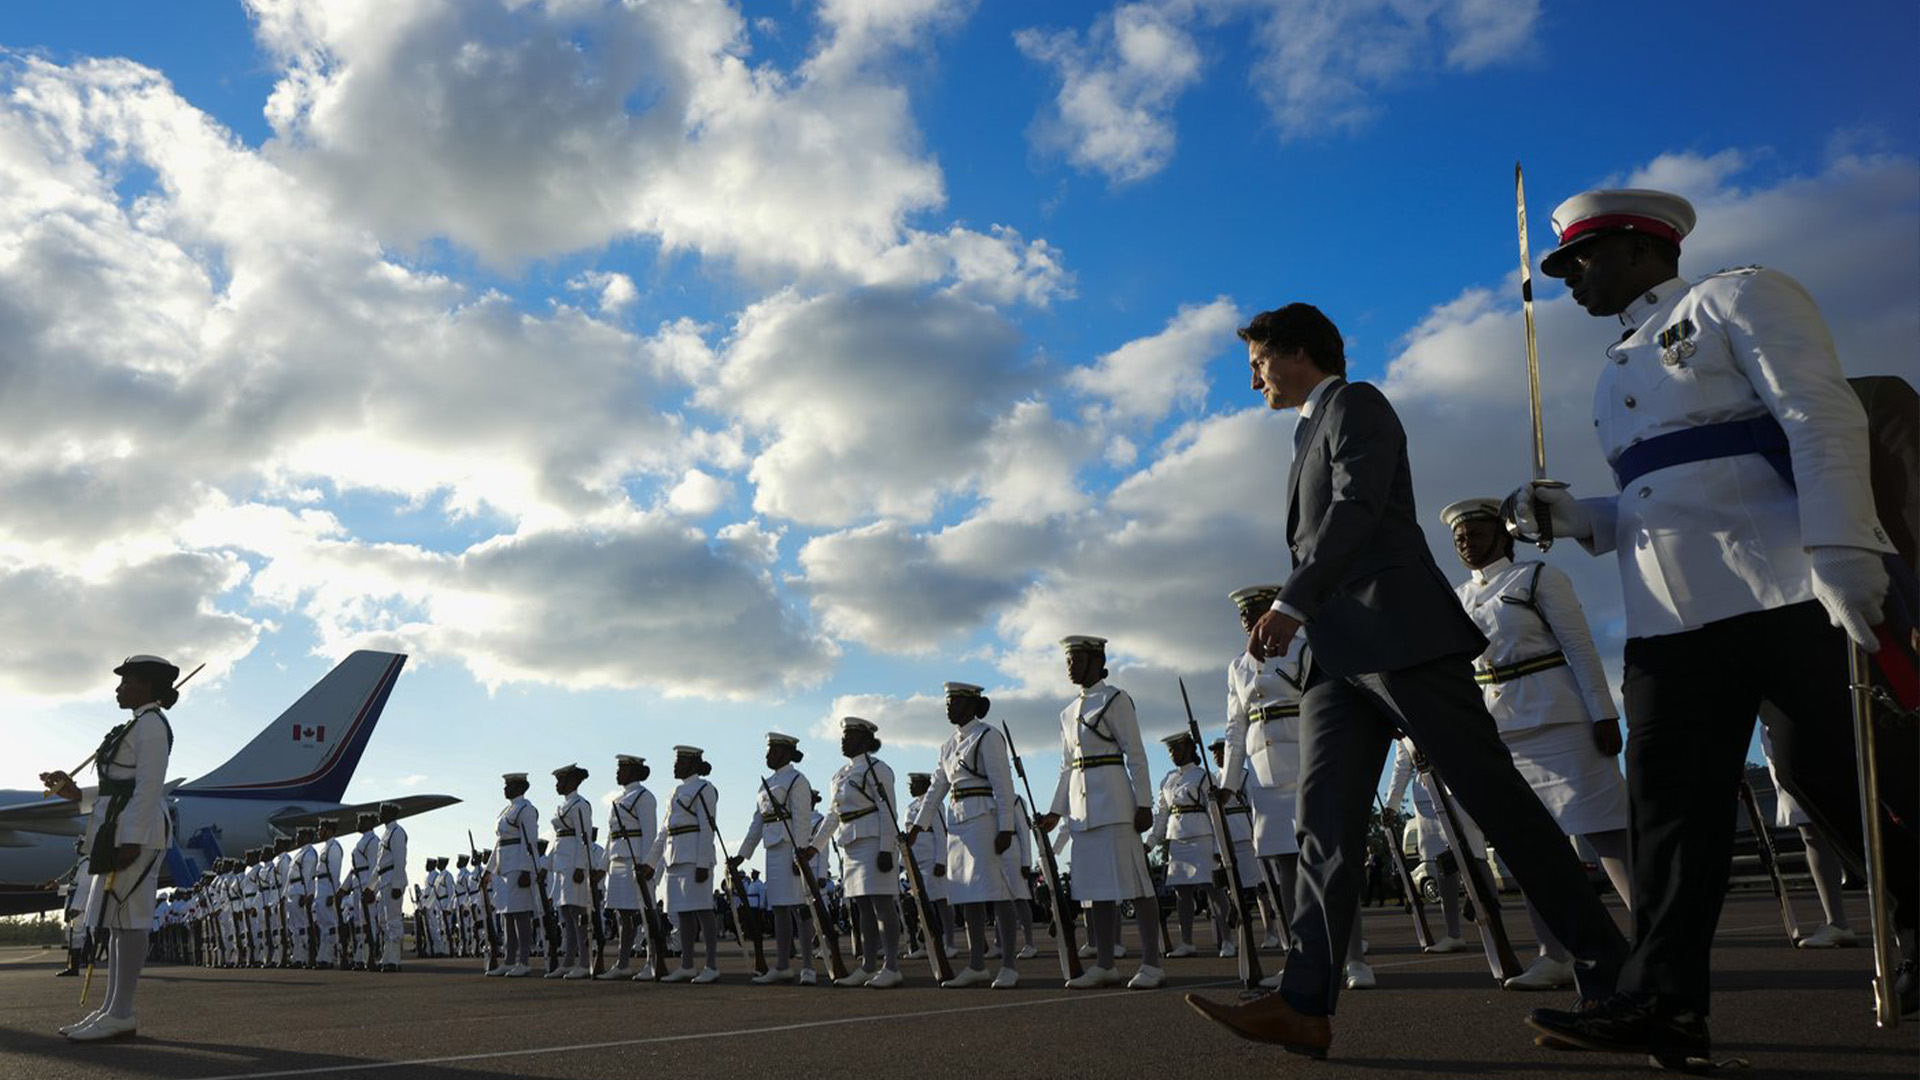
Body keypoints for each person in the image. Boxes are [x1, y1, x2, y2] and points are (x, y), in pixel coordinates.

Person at [1514, 189, 1918, 1062]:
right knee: (1668, 815)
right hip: (1671, 616)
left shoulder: (1736, 297)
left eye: (1580, 260)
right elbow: (1664, 492)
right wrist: (1583, 517)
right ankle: (1664, 1002)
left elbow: (1819, 414)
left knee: (1849, 773)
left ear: (1637, 246)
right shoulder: (1616, 363)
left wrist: (1846, 546)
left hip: (1787, 584)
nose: (1571, 279)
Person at [1186, 303, 1627, 1058]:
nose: (1251, 376)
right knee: (1323, 823)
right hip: (1338, 656)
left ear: (1297, 353)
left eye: (1258, 360)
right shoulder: (1305, 432)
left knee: (1496, 799)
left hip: (1399, 634)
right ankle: (1304, 1002)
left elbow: (1357, 507)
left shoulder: (1358, 404)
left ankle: (1613, 976)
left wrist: (1294, 599)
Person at [1440, 496, 1635, 991]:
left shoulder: (1538, 578)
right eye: (1459, 536)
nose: (1466, 540)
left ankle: (1656, 939)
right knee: (1530, 845)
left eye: (1476, 531)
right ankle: (1554, 954)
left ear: (1504, 535)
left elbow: (1580, 646)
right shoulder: (1458, 599)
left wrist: (1604, 713)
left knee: (1607, 831)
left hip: (1560, 717)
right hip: (1502, 730)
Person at [41, 655, 180, 1041]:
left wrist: (131, 838)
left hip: (136, 833)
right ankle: (111, 1009)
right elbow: (117, 786)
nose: (118, 688)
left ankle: (121, 1012)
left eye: (126, 681)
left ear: (147, 686)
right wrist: (73, 793)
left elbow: (150, 787)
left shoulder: (151, 726)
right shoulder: (138, 725)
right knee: (117, 923)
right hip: (118, 829)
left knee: (130, 920)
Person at [1035, 636, 1165, 990]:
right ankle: (1106, 963)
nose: (1070, 666)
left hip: (1116, 803)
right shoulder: (1066, 713)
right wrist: (1055, 813)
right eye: (1067, 660)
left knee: (1138, 885)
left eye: (1076, 659)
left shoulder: (1116, 699)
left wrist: (1144, 803)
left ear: (1097, 660)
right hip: (1082, 810)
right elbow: (1067, 768)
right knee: (1097, 890)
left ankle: (1152, 963)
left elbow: (1136, 754)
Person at [910, 682, 1023, 989]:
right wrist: (917, 826)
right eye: (948, 701)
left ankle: (1009, 965)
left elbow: (1003, 786)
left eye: (956, 701)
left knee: (998, 893)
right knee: (967, 896)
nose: (949, 706)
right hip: (958, 824)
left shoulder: (988, 736)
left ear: (973, 705)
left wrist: (1006, 827)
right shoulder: (947, 745)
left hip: (985, 819)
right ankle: (976, 964)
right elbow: (936, 788)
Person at [805, 717, 904, 988]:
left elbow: (888, 811)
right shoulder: (839, 775)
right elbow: (833, 815)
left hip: (874, 841)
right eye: (843, 735)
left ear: (864, 740)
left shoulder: (878, 770)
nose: (843, 740)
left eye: (849, 735)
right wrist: (814, 847)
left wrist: (887, 847)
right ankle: (868, 965)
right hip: (851, 843)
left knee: (883, 905)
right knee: (862, 908)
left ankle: (892, 966)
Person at [733, 733, 821, 986]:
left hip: (791, 848)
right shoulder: (766, 783)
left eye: (771, 750)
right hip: (772, 848)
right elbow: (757, 822)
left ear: (784, 752)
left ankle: (807, 966)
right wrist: (743, 854)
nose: (767, 755)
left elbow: (803, 819)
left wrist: (800, 853)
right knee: (780, 909)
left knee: (800, 909)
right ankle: (783, 965)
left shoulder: (797, 780)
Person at [1150, 732, 1232, 961]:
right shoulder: (1167, 779)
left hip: (1201, 836)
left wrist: (1218, 845)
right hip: (1177, 839)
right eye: (1170, 750)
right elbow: (1162, 814)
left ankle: (1227, 939)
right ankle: (1186, 942)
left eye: (1176, 749)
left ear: (1189, 749)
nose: (1172, 754)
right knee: (1181, 894)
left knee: (1213, 890)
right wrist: (1151, 841)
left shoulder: (1203, 776)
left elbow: (1215, 813)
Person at [650, 746, 722, 983]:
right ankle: (687, 964)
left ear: (692, 764)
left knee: (703, 910)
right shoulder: (674, 791)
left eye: (679, 761)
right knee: (682, 914)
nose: (675, 765)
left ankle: (711, 964)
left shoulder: (704, 788)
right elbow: (664, 831)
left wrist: (703, 862)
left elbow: (707, 827)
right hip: (675, 857)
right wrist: (650, 862)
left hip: (694, 857)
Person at [600, 754, 660, 980]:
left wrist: (646, 864)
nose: (617, 773)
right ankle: (623, 963)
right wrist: (602, 866)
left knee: (645, 913)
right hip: (617, 861)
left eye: (621, 769)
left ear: (633, 772)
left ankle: (653, 961)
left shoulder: (644, 797)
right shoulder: (617, 799)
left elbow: (650, 834)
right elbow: (610, 837)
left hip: (634, 861)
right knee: (622, 915)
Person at [486, 773, 540, 977]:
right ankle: (509, 960)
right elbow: (498, 844)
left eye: (508, 785)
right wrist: (489, 870)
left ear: (519, 787)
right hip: (504, 868)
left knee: (520, 914)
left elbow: (531, 842)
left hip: (518, 865)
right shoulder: (506, 811)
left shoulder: (526, 809)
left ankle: (524, 961)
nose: (505, 789)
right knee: (507, 915)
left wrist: (528, 869)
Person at [547, 764, 594, 979]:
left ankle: (584, 961)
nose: (557, 785)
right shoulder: (563, 805)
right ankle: (568, 961)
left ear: (572, 782)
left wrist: (580, 866)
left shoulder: (580, 805)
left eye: (561, 780)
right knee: (566, 916)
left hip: (573, 866)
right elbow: (558, 841)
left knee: (577, 916)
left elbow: (583, 839)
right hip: (561, 866)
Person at [901, 772, 951, 962]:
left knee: (940, 902)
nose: (910, 787)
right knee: (921, 903)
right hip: (916, 860)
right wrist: (903, 863)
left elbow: (940, 833)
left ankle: (950, 943)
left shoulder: (934, 804)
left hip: (932, 860)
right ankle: (928, 943)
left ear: (924, 785)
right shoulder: (911, 807)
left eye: (914, 784)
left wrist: (941, 860)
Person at [371, 802, 408, 972]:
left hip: (393, 878)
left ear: (391, 813)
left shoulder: (397, 832)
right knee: (384, 921)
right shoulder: (386, 833)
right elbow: (379, 865)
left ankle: (394, 960)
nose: (379, 815)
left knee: (393, 921)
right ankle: (387, 957)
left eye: (382, 812)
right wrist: (369, 888)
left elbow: (400, 860)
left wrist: (397, 884)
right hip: (384, 879)